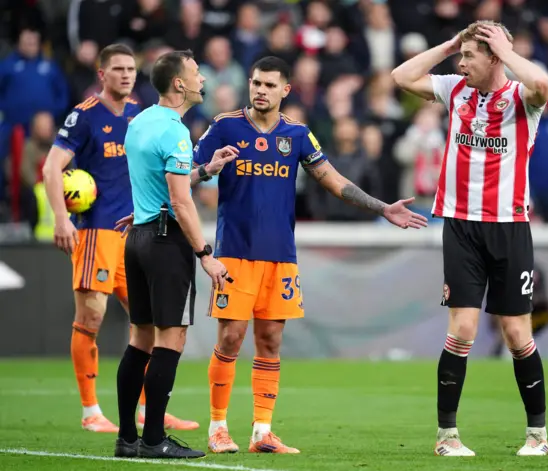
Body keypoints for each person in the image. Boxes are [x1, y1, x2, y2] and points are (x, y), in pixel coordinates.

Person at [194, 56, 428, 454]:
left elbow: (334, 181)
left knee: (270, 340)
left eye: (269, 85)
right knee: (231, 337)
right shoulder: (224, 125)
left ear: (286, 90)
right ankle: (218, 427)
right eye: (255, 83)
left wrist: (382, 207)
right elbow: (186, 174)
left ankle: (262, 431)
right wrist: (207, 171)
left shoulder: (298, 134)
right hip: (235, 252)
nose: (260, 91)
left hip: (281, 255)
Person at [392, 20, 548, 457]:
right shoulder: (455, 88)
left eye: (470, 56)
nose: (462, 65)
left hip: (509, 227)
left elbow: (541, 82)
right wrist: (448, 45)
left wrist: (505, 48)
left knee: (517, 334)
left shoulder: (522, 98)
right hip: (460, 225)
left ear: (496, 57)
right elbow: (401, 77)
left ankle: (537, 435)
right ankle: (447, 437)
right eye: (460, 57)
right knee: (462, 329)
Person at [42, 44, 198, 433]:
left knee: (145, 325)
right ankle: (90, 410)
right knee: (91, 317)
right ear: (102, 74)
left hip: (133, 234)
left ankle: (148, 411)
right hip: (96, 230)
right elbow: (51, 168)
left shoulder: (141, 115)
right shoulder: (84, 116)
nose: (127, 75)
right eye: (118, 69)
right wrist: (61, 219)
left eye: (131, 68)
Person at [113, 49, 237, 459]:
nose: (203, 79)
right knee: (171, 339)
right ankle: (154, 440)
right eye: (197, 73)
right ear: (179, 83)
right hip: (167, 243)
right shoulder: (176, 132)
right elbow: (182, 203)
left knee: (139, 340)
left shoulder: (140, 122)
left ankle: (127, 438)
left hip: (138, 237)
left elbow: (162, 181)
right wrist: (205, 253)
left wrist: (207, 169)